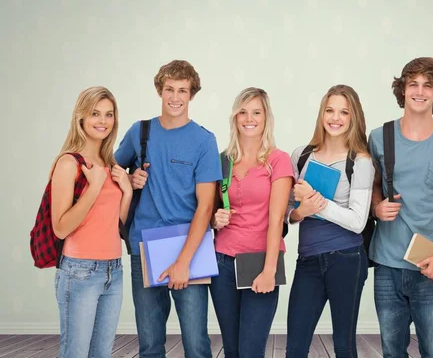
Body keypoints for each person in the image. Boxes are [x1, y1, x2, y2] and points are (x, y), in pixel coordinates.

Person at [115, 60, 221, 358]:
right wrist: (129, 178)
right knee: (149, 344)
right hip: (144, 246)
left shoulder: (204, 140)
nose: (175, 97)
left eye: (183, 91)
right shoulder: (141, 132)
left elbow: (205, 207)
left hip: (190, 246)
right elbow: (111, 168)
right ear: (160, 91)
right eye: (170, 89)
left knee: (196, 343)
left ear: (191, 95)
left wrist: (184, 261)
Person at [368, 57, 433, 358]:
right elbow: (371, 187)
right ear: (402, 90)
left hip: (431, 266)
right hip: (387, 265)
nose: (420, 91)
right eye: (413, 84)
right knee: (391, 351)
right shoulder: (379, 137)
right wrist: (376, 208)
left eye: (428, 85)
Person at [285, 84, 374, 358]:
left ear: (353, 117)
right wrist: (302, 211)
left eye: (343, 112)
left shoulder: (360, 162)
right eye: (330, 110)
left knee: (343, 346)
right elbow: (289, 214)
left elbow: (358, 221)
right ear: (322, 114)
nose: (335, 118)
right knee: (295, 347)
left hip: (346, 259)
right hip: (308, 259)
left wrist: (315, 201)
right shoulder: (301, 156)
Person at [210, 87, 294, 358]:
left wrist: (269, 270)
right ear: (235, 118)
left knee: (250, 351)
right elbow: (212, 210)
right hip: (222, 260)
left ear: (266, 117)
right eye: (243, 112)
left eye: (256, 112)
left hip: (260, 261)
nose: (249, 118)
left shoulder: (278, 160)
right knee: (232, 349)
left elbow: (277, 218)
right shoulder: (224, 160)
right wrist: (215, 220)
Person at [52, 86, 132, 358]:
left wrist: (128, 191)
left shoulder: (110, 163)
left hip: (114, 270)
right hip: (79, 271)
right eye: (95, 113)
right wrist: (94, 187)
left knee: (102, 354)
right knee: (75, 354)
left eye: (109, 114)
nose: (103, 121)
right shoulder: (68, 163)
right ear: (81, 118)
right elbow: (60, 227)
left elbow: (117, 224)